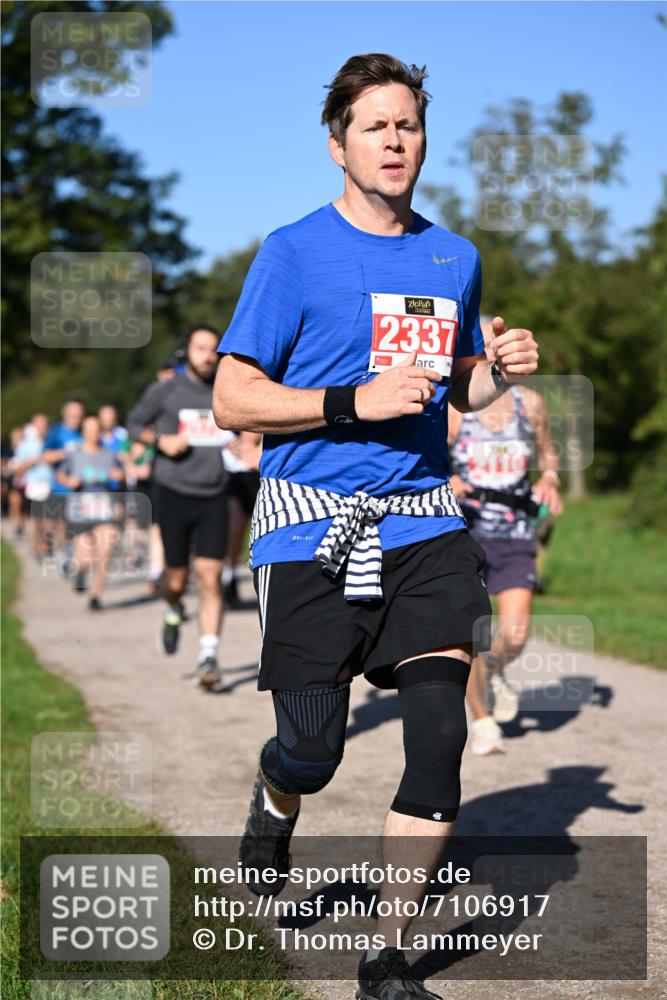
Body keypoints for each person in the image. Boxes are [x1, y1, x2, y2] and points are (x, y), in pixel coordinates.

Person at [213, 53, 539, 1000]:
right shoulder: (292, 252)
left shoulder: (453, 256)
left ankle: (383, 962)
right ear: (337, 145)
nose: (394, 141)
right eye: (375, 126)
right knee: (313, 752)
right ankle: (275, 796)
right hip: (310, 527)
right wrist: (350, 401)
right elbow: (234, 397)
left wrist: (496, 370)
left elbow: (458, 384)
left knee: (437, 738)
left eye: (408, 125)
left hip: (423, 522)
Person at [448, 318, 563, 756]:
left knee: (514, 635)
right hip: (465, 531)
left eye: (493, 343)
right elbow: (429, 462)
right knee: (472, 635)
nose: (488, 351)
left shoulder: (529, 403)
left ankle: (494, 670)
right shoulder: (455, 410)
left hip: (514, 531)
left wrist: (549, 478)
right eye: (479, 346)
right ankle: (482, 722)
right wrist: (447, 480)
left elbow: (548, 453)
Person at [127, 325, 229, 688]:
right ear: (186, 351)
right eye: (201, 348)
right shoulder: (166, 390)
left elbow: (246, 430)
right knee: (176, 580)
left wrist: (244, 445)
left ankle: (208, 655)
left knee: (210, 576)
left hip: (215, 493)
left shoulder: (225, 391)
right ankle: (173, 607)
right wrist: (160, 440)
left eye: (213, 349)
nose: (208, 355)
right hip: (174, 492)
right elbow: (133, 423)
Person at [57, 414, 125, 610]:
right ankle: (80, 571)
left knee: (105, 553)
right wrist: (69, 481)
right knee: (86, 558)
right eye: (90, 430)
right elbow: (60, 475)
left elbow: (121, 475)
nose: (94, 433)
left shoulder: (109, 455)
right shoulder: (74, 454)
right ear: (84, 432)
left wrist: (117, 476)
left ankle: (95, 595)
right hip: (80, 509)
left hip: (104, 508)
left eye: (96, 430)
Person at [42, 397, 85, 573]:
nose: (76, 418)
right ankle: (63, 555)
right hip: (60, 488)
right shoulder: (55, 432)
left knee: (79, 526)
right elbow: (45, 457)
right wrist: (65, 453)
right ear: (64, 413)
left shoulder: (85, 430)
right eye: (72, 414)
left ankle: (76, 556)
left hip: (83, 488)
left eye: (79, 415)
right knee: (62, 525)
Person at [221, 431, 262, 608]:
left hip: (258, 474)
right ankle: (228, 576)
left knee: (257, 531)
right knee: (235, 526)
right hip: (232, 475)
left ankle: (233, 572)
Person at [11, 414, 52, 560]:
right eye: (39, 424)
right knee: (37, 519)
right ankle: (38, 547)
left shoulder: (53, 441)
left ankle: (46, 544)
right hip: (35, 485)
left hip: (53, 485)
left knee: (49, 520)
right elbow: (16, 469)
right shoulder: (26, 445)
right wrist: (30, 463)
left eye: (44, 424)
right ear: (34, 426)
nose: (42, 427)